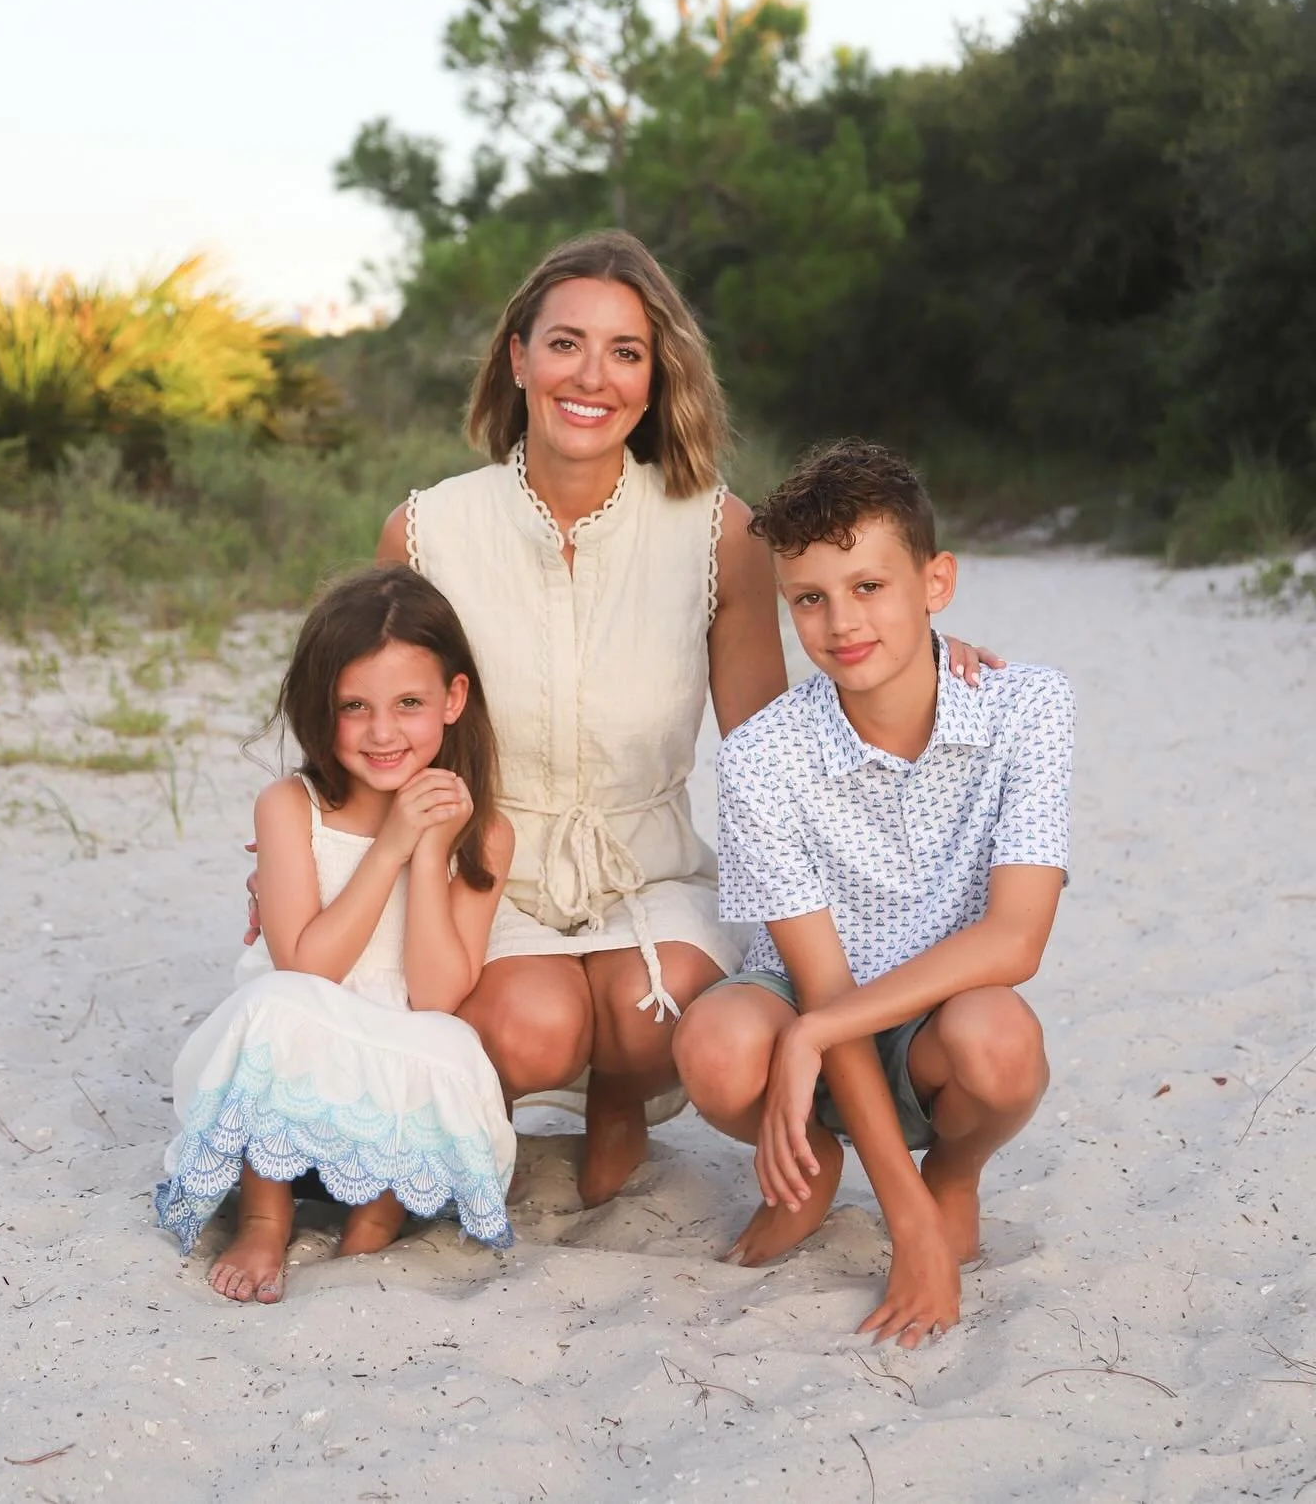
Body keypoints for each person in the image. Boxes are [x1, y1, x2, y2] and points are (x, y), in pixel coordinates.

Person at [245, 232, 996, 1207]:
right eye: (565, 344)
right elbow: (378, 706)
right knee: (529, 1027)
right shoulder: (427, 528)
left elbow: (772, 739)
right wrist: (299, 854)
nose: (591, 375)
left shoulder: (715, 531)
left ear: (655, 378)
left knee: (655, 1016)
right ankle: (491, 1102)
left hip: (653, 863)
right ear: (518, 359)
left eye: (626, 352)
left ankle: (620, 1098)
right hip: (490, 868)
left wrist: (928, 659)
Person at [673, 439, 1072, 1349]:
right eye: (809, 598)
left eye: (868, 587)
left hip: (939, 1006)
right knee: (717, 1043)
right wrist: (905, 1228)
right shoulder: (764, 754)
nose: (840, 623)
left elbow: (1016, 940)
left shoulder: (1030, 707)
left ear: (936, 582)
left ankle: (955, 1176)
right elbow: (820, 989)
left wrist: (925, 1207)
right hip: (807, 994)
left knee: (1001, 1039)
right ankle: (815, 1168)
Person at [156, 566, 516, 1303]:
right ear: (322, 708)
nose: (383, 732)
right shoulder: (291, 805)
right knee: (278, 1008)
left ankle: (373, 1224)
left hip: (390, 1109)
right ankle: (264, 1217)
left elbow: (439, 990)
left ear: (453, 699)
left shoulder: (486, 831)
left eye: (409, 703)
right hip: (287, 1088)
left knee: (447, 1043)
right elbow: (307, 965)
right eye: (355, 706)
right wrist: (388, 846)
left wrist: (426, 846)